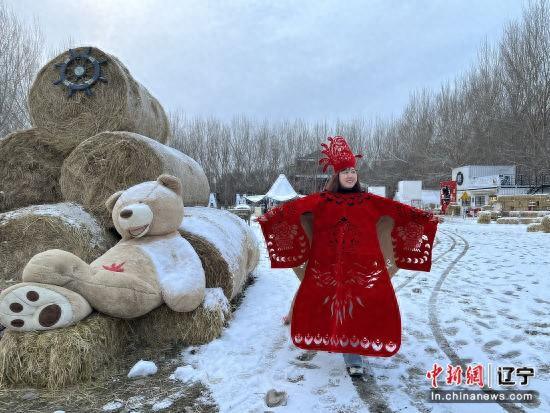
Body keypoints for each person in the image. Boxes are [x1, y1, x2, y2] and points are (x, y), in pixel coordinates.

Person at [258, 136, 439, 378]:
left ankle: (353, 352)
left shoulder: (369, 201)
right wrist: (270, 218)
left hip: (362, 266)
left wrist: (425, 218)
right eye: (345, 171)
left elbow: (399, 211)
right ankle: (347, 351)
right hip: (328, 266)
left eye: (353, 170)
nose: (350, 175)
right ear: (337, 176)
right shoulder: (321, 201)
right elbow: (293, 210)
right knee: (322, 303)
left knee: (362, 308)